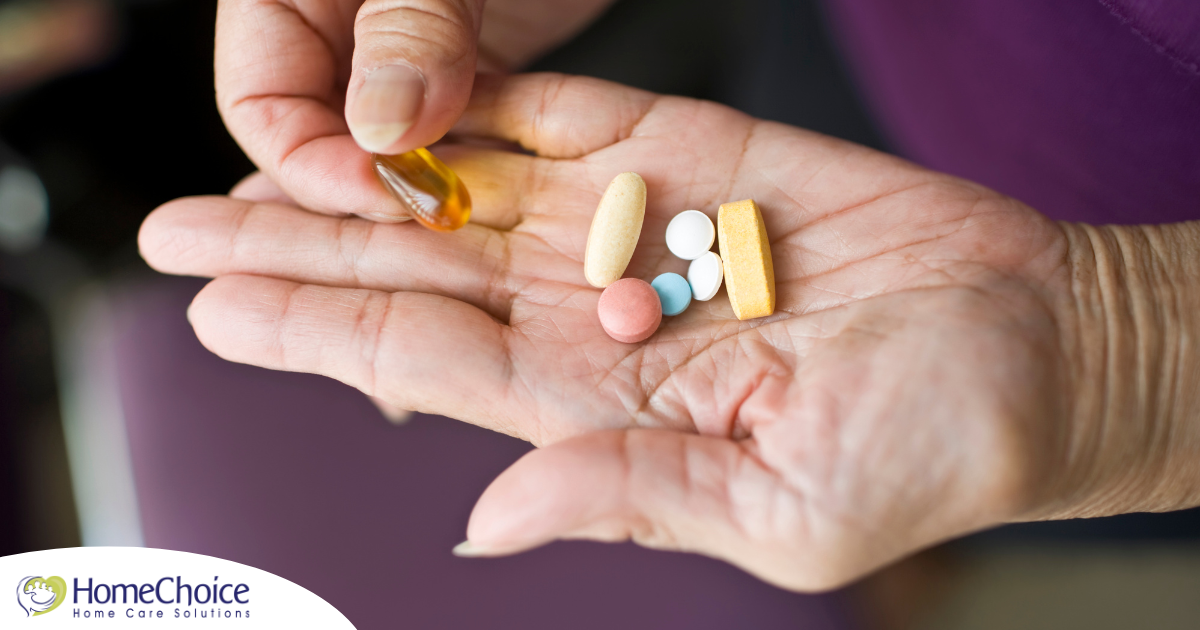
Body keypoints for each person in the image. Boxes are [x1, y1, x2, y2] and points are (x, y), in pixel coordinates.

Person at [138, 0, 1200, 591]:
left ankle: (938, 560)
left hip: (1144, 296)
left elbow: (1097, 364)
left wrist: (1122, 347)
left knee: (997, 489)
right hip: (870, 85)